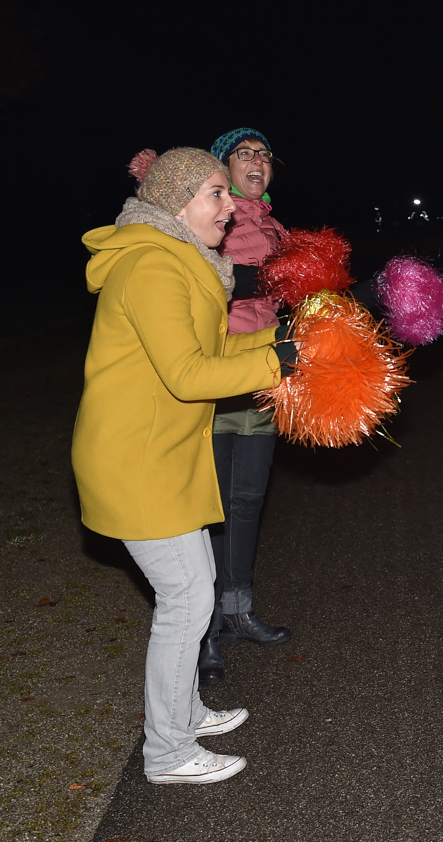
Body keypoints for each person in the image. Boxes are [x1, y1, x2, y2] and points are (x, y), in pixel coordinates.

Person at [73, 147, 294, 783]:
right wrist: (281, 363)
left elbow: (216, 345)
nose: (231, 208)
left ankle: (184, 712)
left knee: (191, 589)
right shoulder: (151, 267)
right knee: (189, 601)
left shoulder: (182, 262)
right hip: (135, 460)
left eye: (228, 194)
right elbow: (189, 373)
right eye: (216, 194)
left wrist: (280, 344)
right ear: (177, 202)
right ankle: (167, 752)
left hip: (163, 456)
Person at [197, 128, 292, 688]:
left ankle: (238, 609)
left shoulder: (276, 226)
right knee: (210, 507)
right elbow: (209, 281)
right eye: (244, 154)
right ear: (222, 168)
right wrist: (276, 277)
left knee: (250, 499)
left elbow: (288, 296)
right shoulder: (210, 218)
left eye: (264, 155)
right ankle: (205, 629)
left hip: (263, 377)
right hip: (215, 376)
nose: (257, 161)